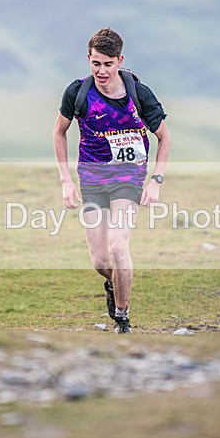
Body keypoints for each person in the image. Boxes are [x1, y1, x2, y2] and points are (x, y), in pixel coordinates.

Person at [52, 28, 172, 333]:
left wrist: (155, 181)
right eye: (96, 64)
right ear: (88, 59)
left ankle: (122, 318)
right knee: (101, 261)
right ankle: (115, 286)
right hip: (92, 179)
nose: (101, 71)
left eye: (108, 64)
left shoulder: (138, 94)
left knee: (119, 247)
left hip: (128, 178)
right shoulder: (77, 93)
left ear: (120, 60)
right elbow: (59, 132)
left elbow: (164, 138)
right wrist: (66, 181)